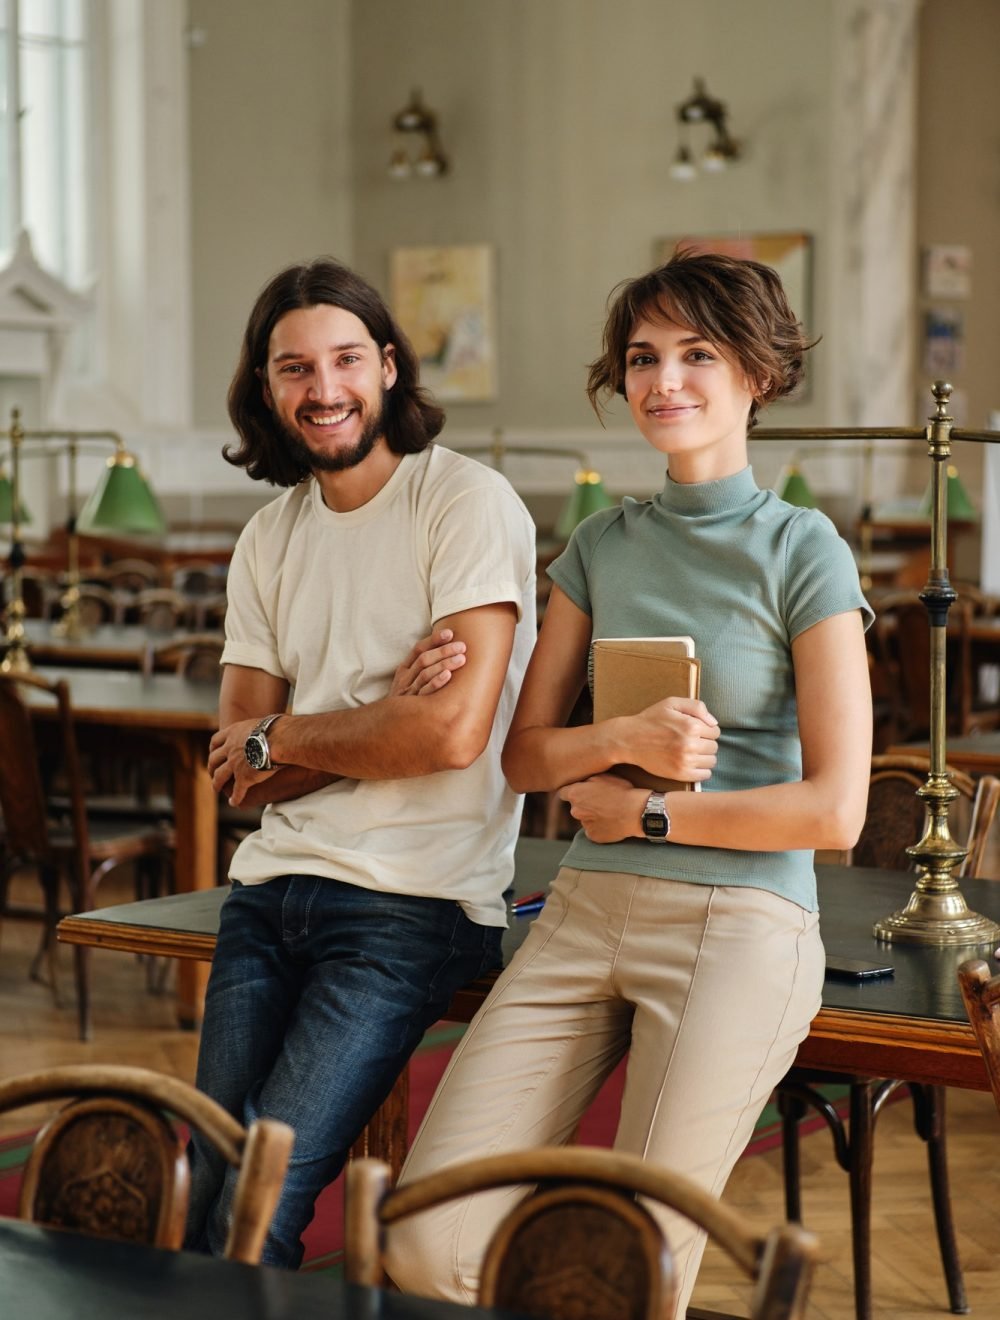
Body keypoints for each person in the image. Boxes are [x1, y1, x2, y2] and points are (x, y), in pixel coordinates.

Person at [387, 250, 874, 1317]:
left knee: (627, 1263)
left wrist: (650, 806)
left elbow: (837, 809)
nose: (665, 380)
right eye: (645, 357)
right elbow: (523, 756)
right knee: (424, 1239)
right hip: (580, 913)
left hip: (739, 925)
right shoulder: (601, 543)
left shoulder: (804, 550)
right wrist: (619, 737)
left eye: (697, 353)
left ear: (758, 373)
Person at [183, 257, 536, 1268]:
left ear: (387, 366)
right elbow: (235, 772)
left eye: (344, 359)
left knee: (265, 1188)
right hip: (266, 891)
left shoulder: (464, 503)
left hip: (412, 905)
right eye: (293, 368)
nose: (322, 388)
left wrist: (288, 733)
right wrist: (379, 712)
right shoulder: (269, 536)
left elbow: (449, 738)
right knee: (210, 1177)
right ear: (264, 387)